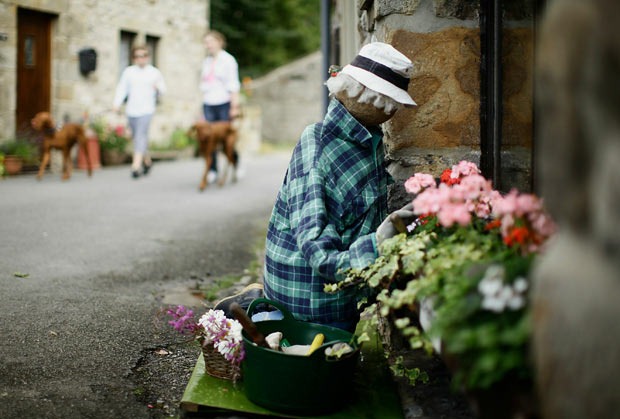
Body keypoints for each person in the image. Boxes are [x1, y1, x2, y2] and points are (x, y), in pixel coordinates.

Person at [216, 43, 418, 332]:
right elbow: (317, 252)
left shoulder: (368, 143)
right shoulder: (318, 149)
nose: (393, 112)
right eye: (389, 103)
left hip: (342, 291)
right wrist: (380, 243)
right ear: (364, 97)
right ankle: (264, 314)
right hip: (310, 304)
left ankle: (261, 305)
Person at [113, 45, 166, 179]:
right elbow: (122, 89)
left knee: (140, 136)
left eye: (143, 56)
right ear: (134, 58)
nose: (140, 59)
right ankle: (147, 161)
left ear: (147, 57)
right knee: (137, 137)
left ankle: (135, 166)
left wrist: (158, 88)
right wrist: (116, 104)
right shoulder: (129, 72)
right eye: (137, 56)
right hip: (132, 110)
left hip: (147, 110)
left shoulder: (154, 72)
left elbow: (163, 90)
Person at [199, 30, 241, 183]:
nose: (207, 45)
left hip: (224, 104)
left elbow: (233, 84)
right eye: (206, 42)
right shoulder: (206, 61)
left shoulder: (228, 60)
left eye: (210, 42)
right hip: (209, 104)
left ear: (219, 42)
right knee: (209, 140)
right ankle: (212, 170)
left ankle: (235, 163)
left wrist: (234, 107)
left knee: (225, 140)